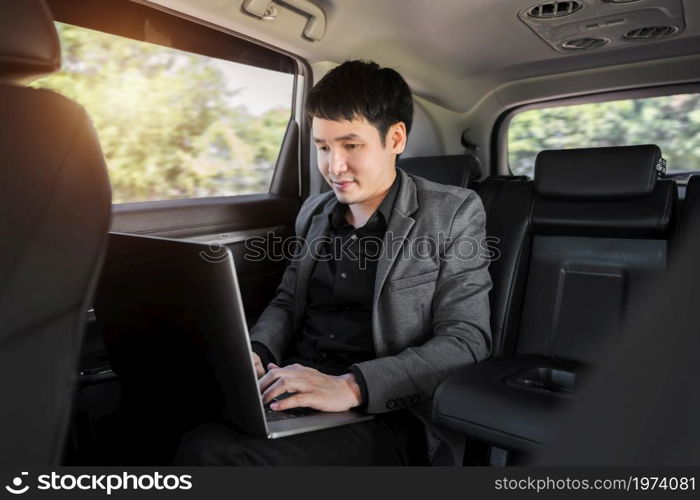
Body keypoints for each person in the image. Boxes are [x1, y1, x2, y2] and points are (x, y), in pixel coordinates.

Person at [175, 60, 492, 465]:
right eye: (323, 147)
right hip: (296, 385)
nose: (333, 167)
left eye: (350, 145)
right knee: (182, 427)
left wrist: (352, 387)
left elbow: (467, 341)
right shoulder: (314, 211)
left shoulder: (454, 213)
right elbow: (288, 302)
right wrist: (254, 352)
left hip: (387, 410)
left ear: (395, 138)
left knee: (223, 458)